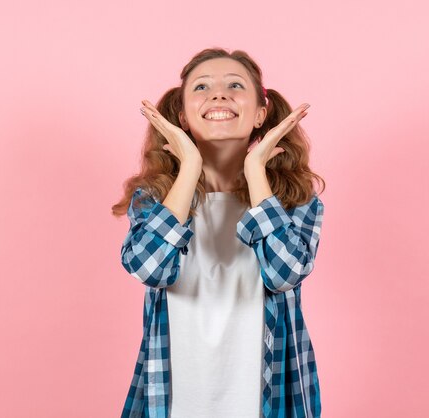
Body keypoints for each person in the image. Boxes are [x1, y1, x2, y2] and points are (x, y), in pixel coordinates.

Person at [111, 47, 326, 418]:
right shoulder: (155, 200)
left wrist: (257, 172)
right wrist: (189, 167)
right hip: (173, 403)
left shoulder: (294, 202)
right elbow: (150, 270)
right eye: (202, 87)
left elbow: (285, 273)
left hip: (268, 403)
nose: (219, 94)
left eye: (235, 85)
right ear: (181, 115)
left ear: (261, 113)